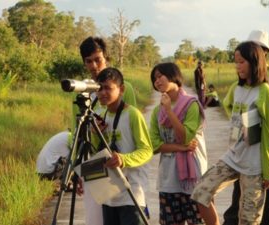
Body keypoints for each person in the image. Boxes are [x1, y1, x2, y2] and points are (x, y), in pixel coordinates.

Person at [191, 41, 269, 225]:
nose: (238, 67)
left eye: (242, 62)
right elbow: (229, 106)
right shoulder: (236, 88)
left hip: (255, 166)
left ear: (255, 62)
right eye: (236, 62)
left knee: (248, 219)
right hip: (233, 156)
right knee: (200, 191)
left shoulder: (265, 92)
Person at [222, 30, 269, 225]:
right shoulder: (243, 77)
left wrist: (263, 117)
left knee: (268, 183)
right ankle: (234, 218)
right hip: (245, 138)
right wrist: (243, 120)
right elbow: (229, 103)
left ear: (265, 52)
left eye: (260, 49)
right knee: (241, 181)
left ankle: (266, 221)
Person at [77, 36, 138, 225]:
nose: (94, 65)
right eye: (89, 61)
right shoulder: (83, 93)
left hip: (120, 165)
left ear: (106, 57)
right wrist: (77, 172)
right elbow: (78, 135)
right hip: (94, 164)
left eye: (98, 59)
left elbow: (130, 125)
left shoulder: (124, 88)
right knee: (96, 219)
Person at [89, 67, 153, 225]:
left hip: (131, 192)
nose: (103, 93)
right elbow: (98, 152)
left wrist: (124, 159)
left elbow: (147, 150)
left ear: (122, 89)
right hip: (109, 194)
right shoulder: (102, 117)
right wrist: (96, 134)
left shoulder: (132, 114)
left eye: (108, 88)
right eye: (100, 88)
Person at [149, 62, 207, 225]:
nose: (157, 81)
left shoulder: (191, 104)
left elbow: (186, 137)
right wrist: (181, 148)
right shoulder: (156, 111)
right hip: (168, 179)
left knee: (197, 221)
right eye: (154, 79)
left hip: (192, 179)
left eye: (160, 76)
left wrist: (169, 111)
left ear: (173, 75)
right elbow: (155, 145)